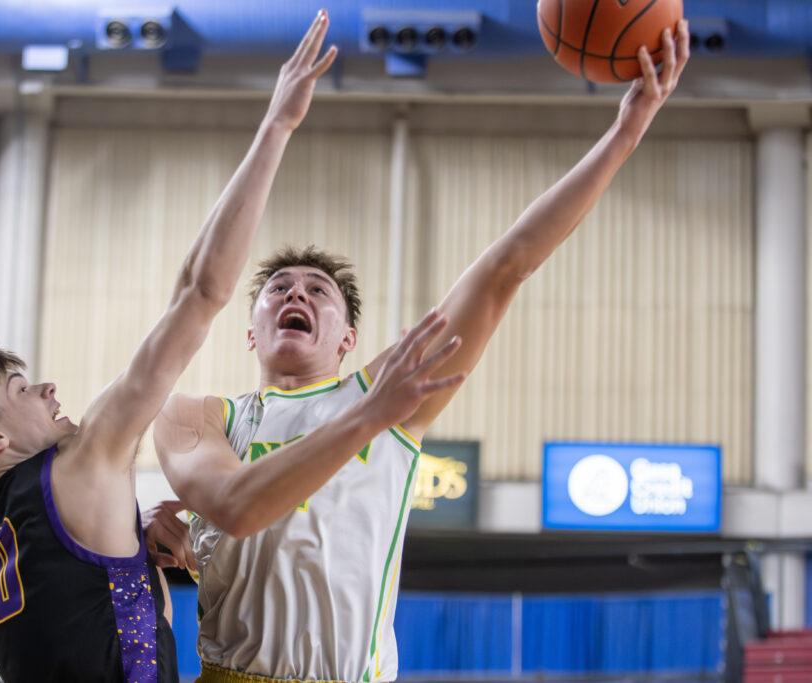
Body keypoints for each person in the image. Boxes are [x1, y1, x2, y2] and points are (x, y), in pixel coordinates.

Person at [154, 21, 692, 683]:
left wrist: (625, 135)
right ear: (251, 328)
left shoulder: (392, 391)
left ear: (348, 339)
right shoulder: (196, 416)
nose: (297, 292)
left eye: (319, 290)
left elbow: (506, 267)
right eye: (278, 288)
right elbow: (234, 504)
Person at [0, 12, 343, 683]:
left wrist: (151, 550)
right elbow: (198, 293)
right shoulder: (77, 465)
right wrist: (277, 124)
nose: (48, 389)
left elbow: (94, 614)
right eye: (22, 390)